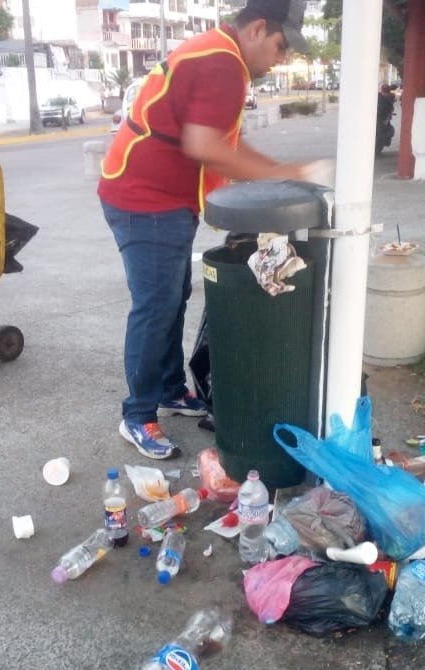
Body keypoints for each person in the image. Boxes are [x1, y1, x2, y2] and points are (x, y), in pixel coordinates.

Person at [99, 0, 326, 460]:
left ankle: (168, 390)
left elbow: (224, 138)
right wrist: (284, 173)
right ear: (258, 28)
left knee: (172, 295)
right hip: (145, 199)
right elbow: (205, 145)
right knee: (156, 305)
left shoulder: (220, 53)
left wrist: (280, 172)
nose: (281, 58)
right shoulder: (223, 61)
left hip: (161, 198)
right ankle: (137, 414)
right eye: (281, 46)